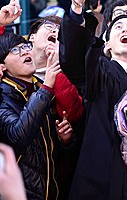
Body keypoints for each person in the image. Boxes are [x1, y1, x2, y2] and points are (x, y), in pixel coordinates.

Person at [59, 0, 127, 200]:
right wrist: (76, 9)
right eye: (118, 27)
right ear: (108, 44)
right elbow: (73, 62)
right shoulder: (98, 71)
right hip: (103, 176)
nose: (125, 29)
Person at [0, 32, 74, 200]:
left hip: (53, 190)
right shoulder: (3, 96)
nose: (26, 51)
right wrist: (46, 87)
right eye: (16, 50)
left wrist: (65, 141)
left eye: (26, 47)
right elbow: (18, 136)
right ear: (2, 65)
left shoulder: (41, 89)